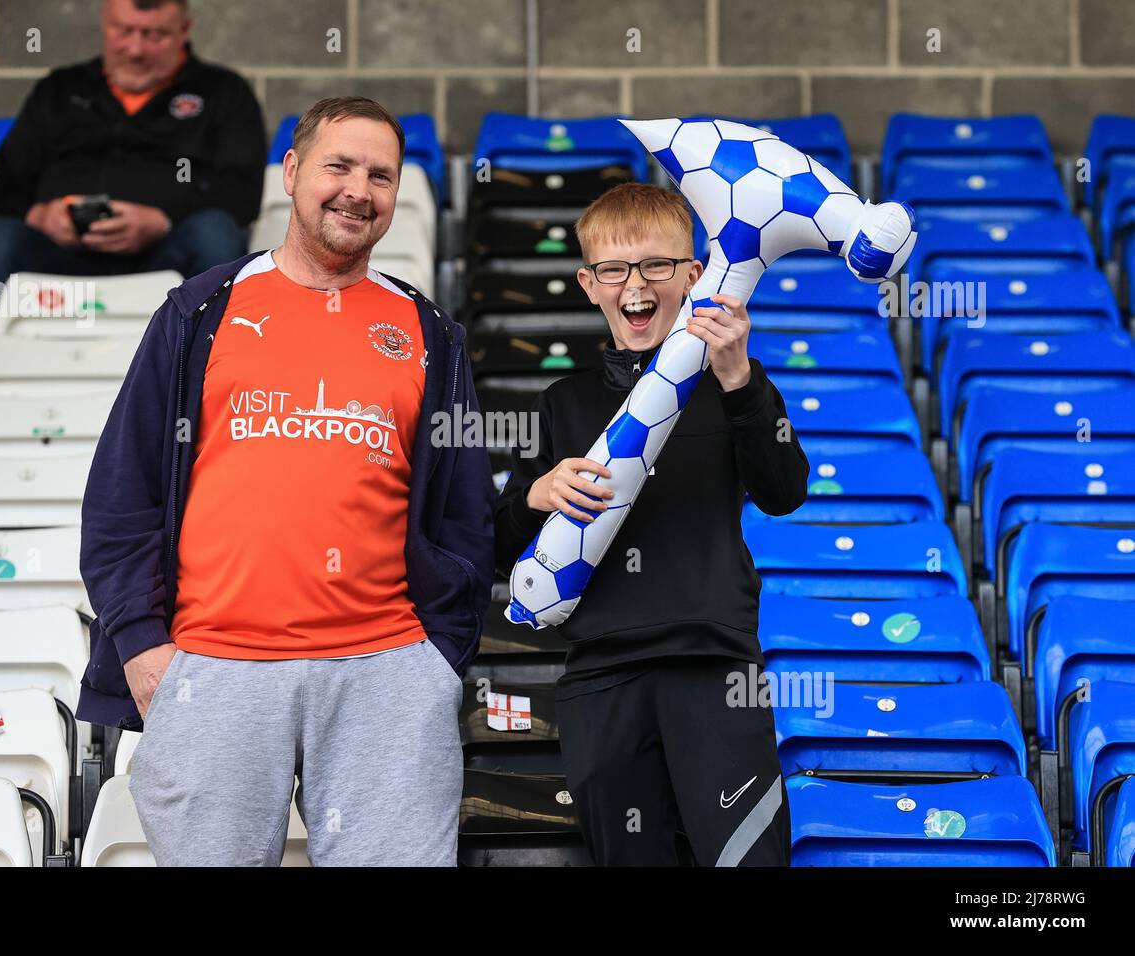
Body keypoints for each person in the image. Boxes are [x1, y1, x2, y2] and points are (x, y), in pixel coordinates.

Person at [76, 96, 494, 867]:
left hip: (387, 672)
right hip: (213, 668)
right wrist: (141, 646)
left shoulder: (431, 333)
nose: (357, 191)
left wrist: (437, 659)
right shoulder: (200, 309)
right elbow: (120, 493)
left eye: (380, 175)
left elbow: (467, 511)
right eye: (338, 166)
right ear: (293, 172)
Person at [494, 183, 809, 866]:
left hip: (715, 667)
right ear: (588, 283)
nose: (634, 285)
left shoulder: (734, 385)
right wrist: (538, 495)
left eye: (656, 266)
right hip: (600, 679)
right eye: (614, 269)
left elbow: (785, 490)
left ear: (694, 276)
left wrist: (739, 378)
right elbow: (497, 544)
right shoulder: (562, 404)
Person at [0, 0, 265, 328]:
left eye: (155, 35)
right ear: (104, 23)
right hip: (58, 257)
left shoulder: (223, 93)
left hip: (167, 255)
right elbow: (5, 189)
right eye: (123, 31)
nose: (136, 49)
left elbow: (242, 193)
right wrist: (41, 215)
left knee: (215, 234)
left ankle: (205, 368)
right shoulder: (59, 89)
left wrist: (162, 221)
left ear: (185, 30)